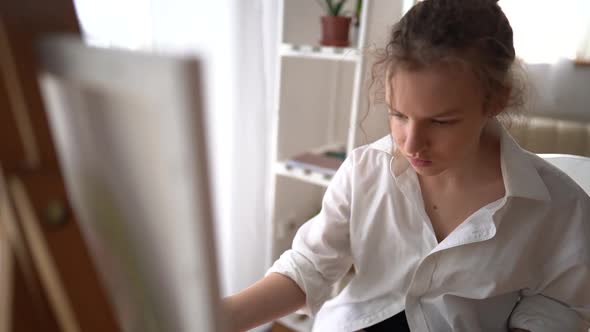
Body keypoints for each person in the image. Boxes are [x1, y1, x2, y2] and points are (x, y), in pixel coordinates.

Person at [223, 0, 590, 331]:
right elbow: (311, 266)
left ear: (496, 100)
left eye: (441, 121)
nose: (411, 144)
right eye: (398, 115)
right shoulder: (365, 170)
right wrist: (218, 317)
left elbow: (559, 305)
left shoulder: (559, 207)